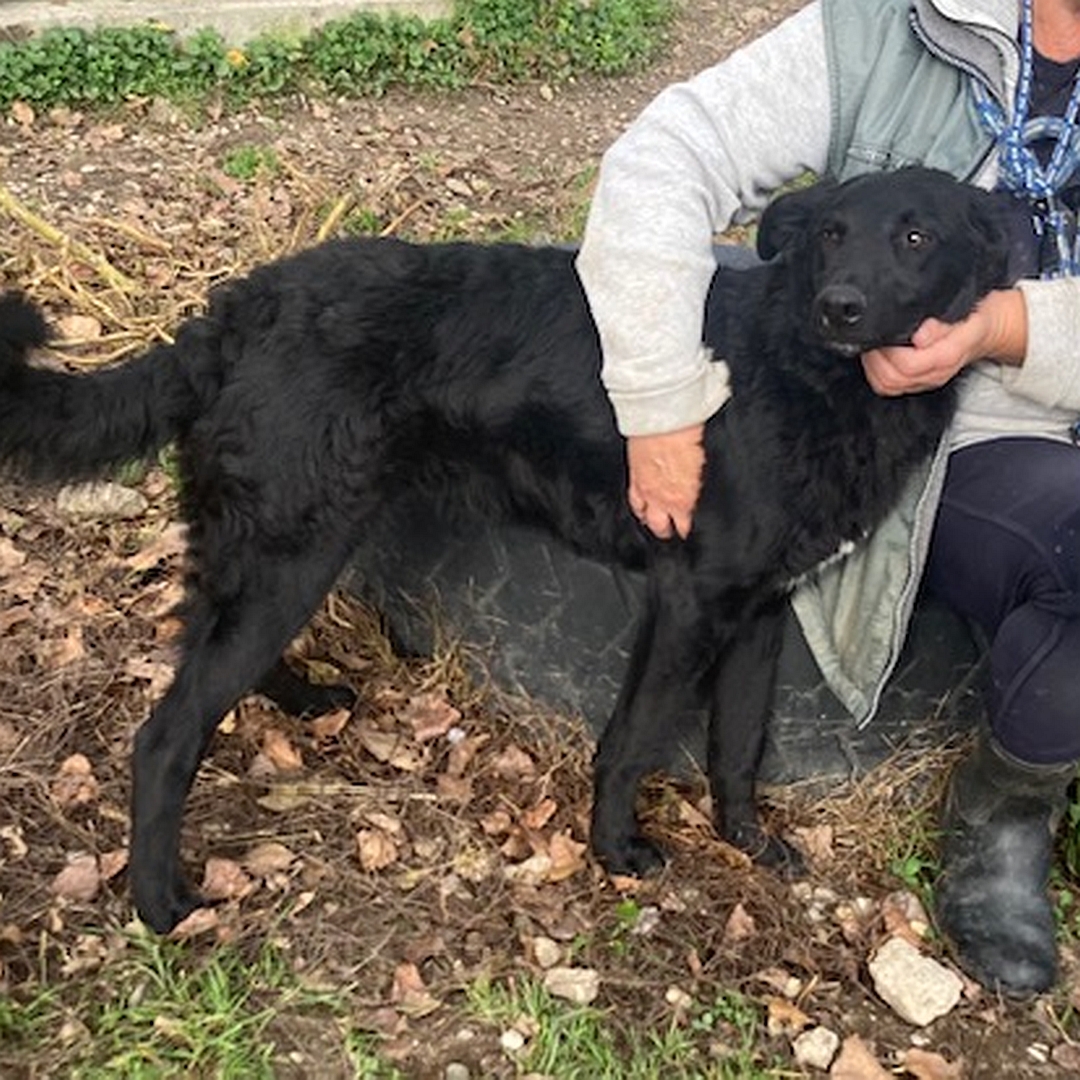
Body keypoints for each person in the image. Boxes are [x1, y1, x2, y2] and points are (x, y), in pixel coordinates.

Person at [576, 0, 1080, 998]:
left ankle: (1023, 790)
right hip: (969, 434)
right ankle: (1005, 831)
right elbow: (665, 156)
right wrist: (658, 399)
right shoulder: (889, 27)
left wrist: (1008, 324)